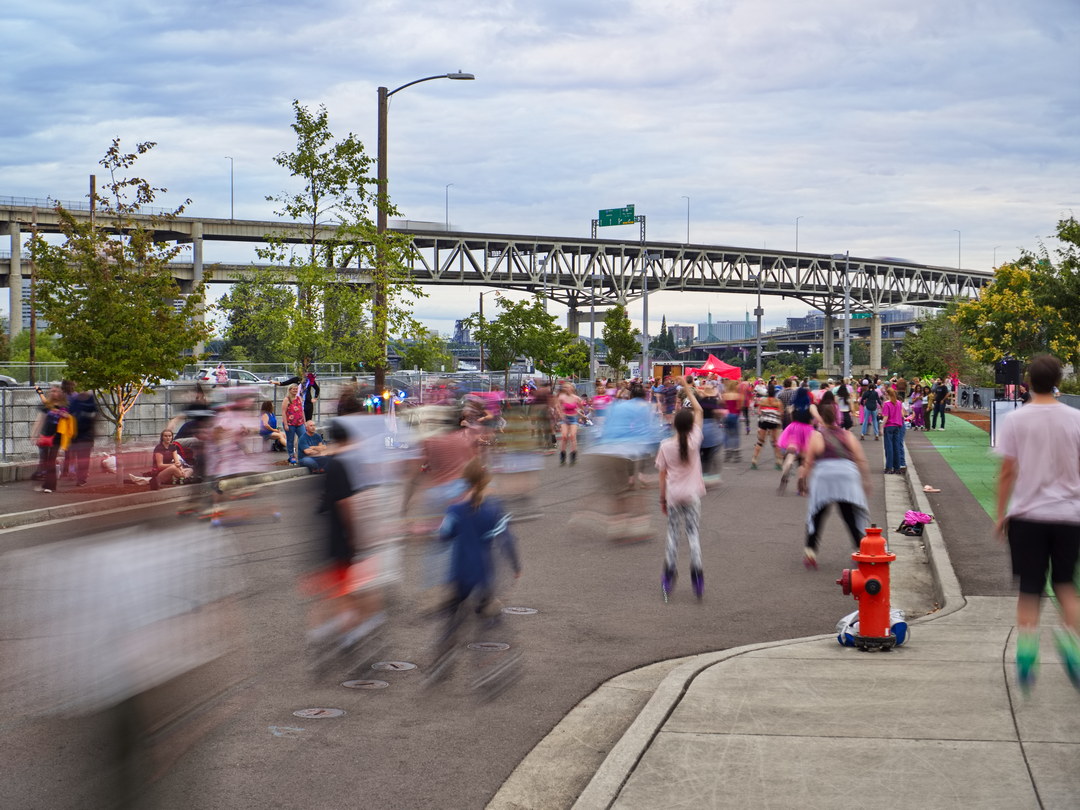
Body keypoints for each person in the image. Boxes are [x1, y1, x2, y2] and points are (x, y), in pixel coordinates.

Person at [994, 354, 1080, 693]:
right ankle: (1071, 642)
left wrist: (1002, 514)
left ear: (1027, 381)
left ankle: (1028, 652)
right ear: (1058, 380)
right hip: (1070, 515)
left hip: (1027, 515)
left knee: (1030, 587)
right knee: (1065, 584)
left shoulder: (1016, 420)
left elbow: (1007, 472)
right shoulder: (1076, 419)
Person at [430, 457, 521, 681]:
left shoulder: (454, 510)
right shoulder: (493, 510)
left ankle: (442, 658)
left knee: (453, 617)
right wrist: (516, 566)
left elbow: (443, 537)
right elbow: (507, 540)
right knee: (487, 614)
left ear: (465, 482)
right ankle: (488, 662)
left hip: (460, 572)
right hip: (483, 573)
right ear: (485, 481)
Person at [798, 399, 872, 569]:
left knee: (817, 514)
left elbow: (808, 462)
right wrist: (866, 480)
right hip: (847, 475)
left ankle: (810, 552)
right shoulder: (847, 435)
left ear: (821, 418)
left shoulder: (817, 435)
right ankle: (860, 550)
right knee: (849, 515)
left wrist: (803, 480)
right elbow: (860, 459)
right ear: (838, 417)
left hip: (824, 476)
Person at [656, 377, 705, 600]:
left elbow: (662, 475)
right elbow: (699, 409)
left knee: (673, 536)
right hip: (693, 493)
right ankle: (697, 576)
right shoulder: (695, 439)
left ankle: (668, 576)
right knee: (693, 535)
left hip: (674, 495)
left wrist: (662, 499)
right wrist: (686, 386)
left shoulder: (666, 446)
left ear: (674, 424)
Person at [749, 384, 783, 470]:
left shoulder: (763, 401)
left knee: (760, 441)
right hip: (774, 422)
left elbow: (759, 412)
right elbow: (780, 413)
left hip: (764, 421)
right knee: (775, 442)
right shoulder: (778, 401)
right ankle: (778, 462)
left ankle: (754, 460)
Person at [556, 382, 583, 466]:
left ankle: (573, 455)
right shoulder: (561, 397)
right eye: (565, 388)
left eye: (568, 388)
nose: (567, 389)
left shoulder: (577, 398)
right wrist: (560, 414)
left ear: (572, 389)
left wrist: (580, 415)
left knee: (572, 436)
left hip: (573, 418)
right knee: (564, 436)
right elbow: (557, 406)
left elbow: (581, 408)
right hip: (565, 419)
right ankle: (562, 456)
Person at [880, 388, 905, 474]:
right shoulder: (899, 403)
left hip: (889, 426)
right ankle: (897, 467)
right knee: (896, 446)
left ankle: (889, 467)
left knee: (889, 447)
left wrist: (881, 427)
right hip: (897, 426)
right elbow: (902, 415)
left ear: (887, 394)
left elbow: (885, 417)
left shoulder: (886, 404)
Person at [282, 383, 305, 464]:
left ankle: (302, 455)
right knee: (290, 440)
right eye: (293, 389)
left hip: (300, 423)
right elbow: (283, 412)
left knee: (303, 438)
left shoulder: (299, 398)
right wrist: (285, 424)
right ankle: (291, 456)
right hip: (289, 423)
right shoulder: (287, 399)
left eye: (296, 389)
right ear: (290, 390)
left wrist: (304, 422)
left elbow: (302, 411)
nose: (295, 390)